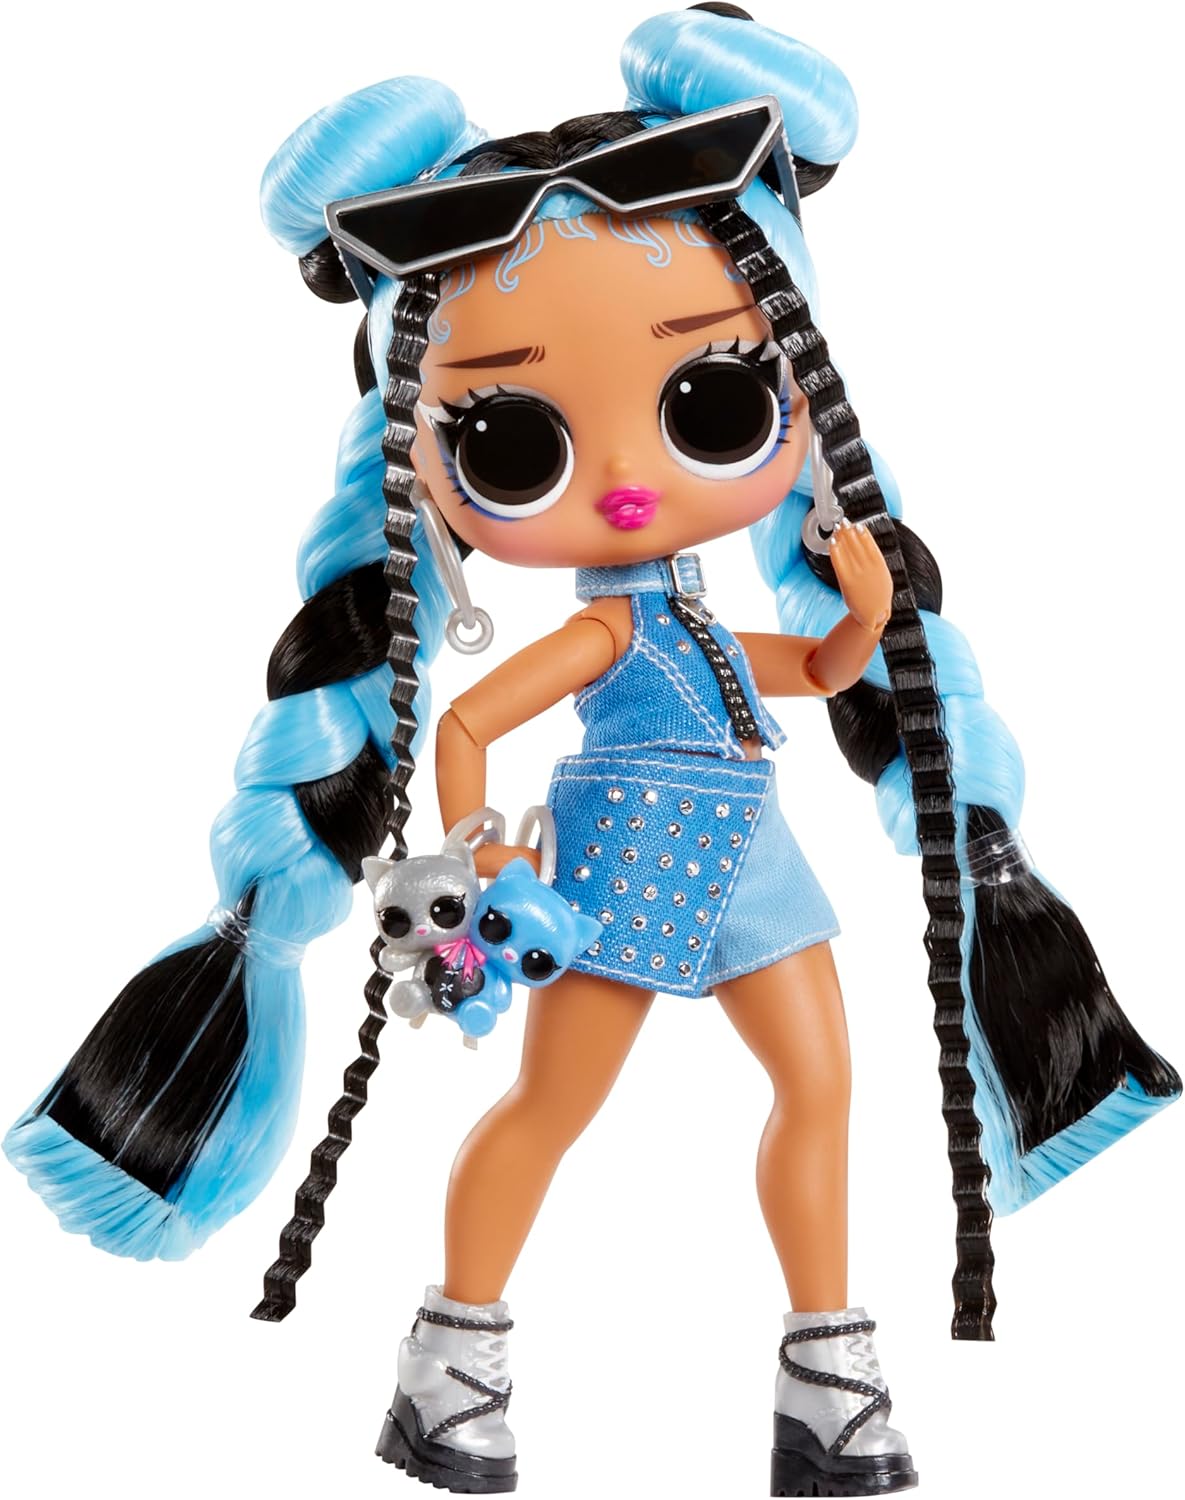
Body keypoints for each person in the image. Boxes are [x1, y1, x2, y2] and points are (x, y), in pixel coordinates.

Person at [4, 7, 1178, 1497]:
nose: (626, 481)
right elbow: (473, 718)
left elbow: (812, 671)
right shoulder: (613, 629)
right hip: (620, 864)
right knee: (552, 1109)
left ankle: (826, 1370)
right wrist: (474, 846)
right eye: (512, 441)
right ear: (422, 456)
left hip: (753, 860)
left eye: (711, 401)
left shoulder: (679, 622)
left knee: (822, 1090)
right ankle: (451, 1359)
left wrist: (871, 611)